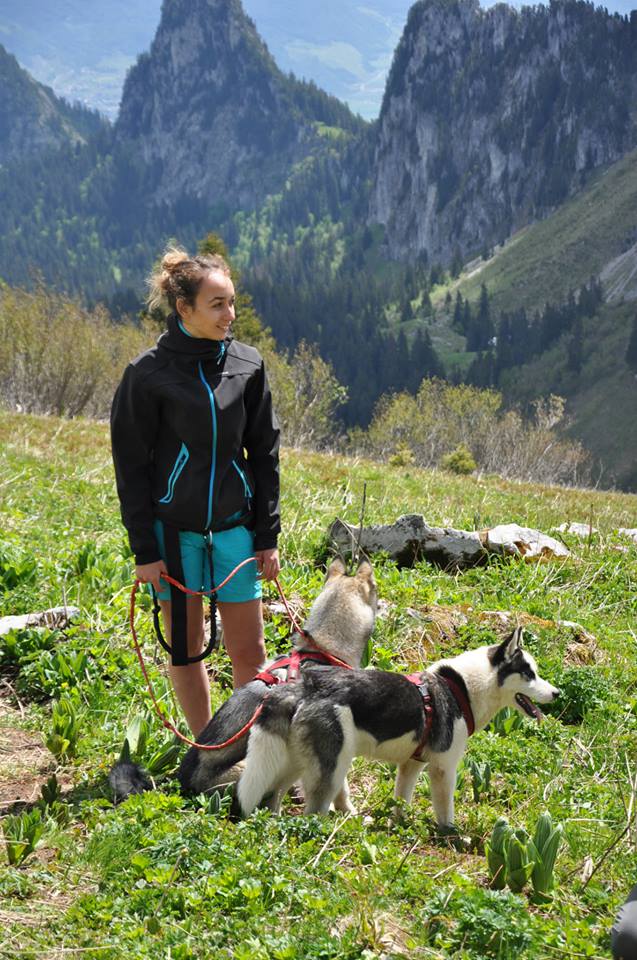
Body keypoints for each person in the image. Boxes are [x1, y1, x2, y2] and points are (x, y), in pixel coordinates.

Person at [110, 247, 280, 736]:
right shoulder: (147, 375)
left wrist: (266, 535)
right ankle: (208, 751)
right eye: (218, 304)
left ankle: (252, 751)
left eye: (232, 303)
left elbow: (264, 454)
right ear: (184, 308)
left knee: (250, 652)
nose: (230, 315)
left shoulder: (248, 365)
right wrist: (145, 550)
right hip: (174, 536)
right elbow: (132, 470)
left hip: (234, 531)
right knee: (186, 647)